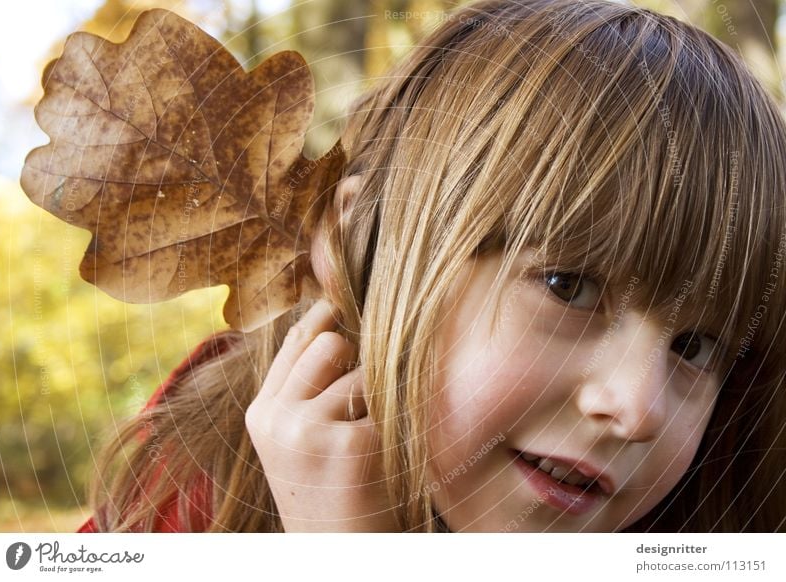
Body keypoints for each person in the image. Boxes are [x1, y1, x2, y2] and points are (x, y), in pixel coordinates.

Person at [78, 0, 786, 532]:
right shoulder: (196, 492)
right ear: (365, 247)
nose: (636, 407)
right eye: (569, 288)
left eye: (694, 347)